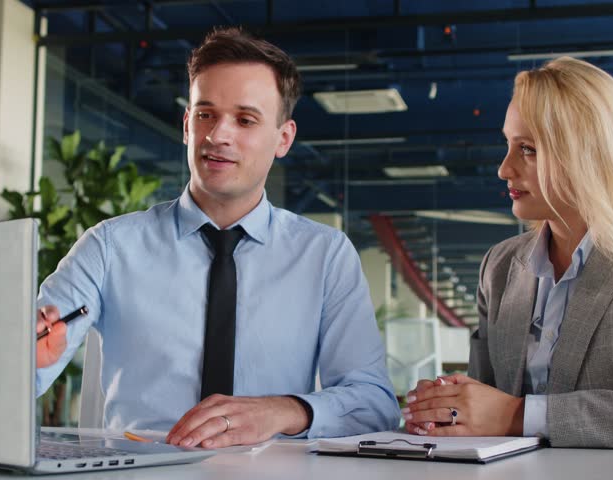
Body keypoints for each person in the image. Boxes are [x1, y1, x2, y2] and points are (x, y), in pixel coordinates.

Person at [35, 27, 399, 448]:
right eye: (206, 114)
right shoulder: (109, 247)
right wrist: (28, 363)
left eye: (245, 119)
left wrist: (283, 410)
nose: (218, 135)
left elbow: (375, 403)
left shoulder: (325, 255)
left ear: (284, 138)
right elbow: (26, 363)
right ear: (187, 125)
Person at [403, 57, 613, 450]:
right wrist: (447, 411)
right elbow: (485, 416)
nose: (504, 169)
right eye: (508, 145)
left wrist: (517, 415)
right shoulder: (500, 267)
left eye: (527, 149)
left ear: (588, 154)